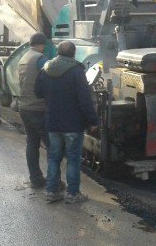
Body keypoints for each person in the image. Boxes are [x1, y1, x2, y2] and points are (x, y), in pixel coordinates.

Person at [35, 41, 98, 204]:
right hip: (73, 124)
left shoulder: (46, 68)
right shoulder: (76, 70)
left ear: (58, 52)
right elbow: (85, 100)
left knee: (54, 158)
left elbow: (38, 92)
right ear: (73, 53)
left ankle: (51, 191)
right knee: (73, 159)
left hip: (52, 121)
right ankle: (72, 194)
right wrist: (92, 120)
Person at [18, 33, 50, 188]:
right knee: (52, 146)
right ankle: (54, 181)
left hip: (24, 107)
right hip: (38, 108)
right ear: (42, 44)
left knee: (32, 143)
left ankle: (36, 179)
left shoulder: (24, 58)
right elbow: (52, 76)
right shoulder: (40, 58)